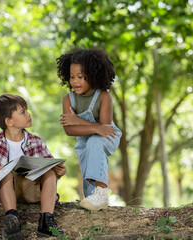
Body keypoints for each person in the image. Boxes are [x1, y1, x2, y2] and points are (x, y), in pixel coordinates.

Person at [0, 94, 66, 239]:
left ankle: (46, 221)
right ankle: (12, 221)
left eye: (27, 110)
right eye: (23, 112)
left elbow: (50, 167)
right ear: (9, 121)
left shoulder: (36, 141)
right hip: (4, 193)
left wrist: (59, 171)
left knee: (49, 171)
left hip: (30, 190)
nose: (28, 114)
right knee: (6, 171)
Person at [57, 48, 122, 211]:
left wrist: (76, 120)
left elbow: (105, 129)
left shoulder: (103, 96)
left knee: (94, 142)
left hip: (108, 137)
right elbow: (69, 130)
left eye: (81, 77)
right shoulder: (68, 99)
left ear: (93, 75)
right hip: (84, 141)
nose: (75, 81)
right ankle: (94, 197)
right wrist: (94, 127)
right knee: (88, 175)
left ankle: (102, 192)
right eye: (72, 77)